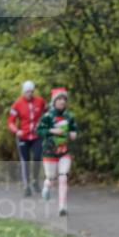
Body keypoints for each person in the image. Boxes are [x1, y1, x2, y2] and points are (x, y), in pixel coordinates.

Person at [36, 88, 79, 216]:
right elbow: (39, 131)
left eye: (64, 99)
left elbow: (74, 129)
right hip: (50, 152)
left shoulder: (69, 116)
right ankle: (47, 185)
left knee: (63, 177)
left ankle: (62, 206)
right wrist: (52, 131)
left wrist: (73, 134)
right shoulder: (48, 117)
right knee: (51, 179)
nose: (62, 102)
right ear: (54, 101)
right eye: (59, 99)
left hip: (64, 152)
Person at [7, 80, 46, 196]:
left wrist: (43, 124)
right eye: (27, 92)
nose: (29, 94)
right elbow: (10, 122)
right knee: (25, 161)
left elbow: (48, 114)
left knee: (38, 157)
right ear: (23, 92)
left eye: (31, 91)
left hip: (36, 135)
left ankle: (35, 180)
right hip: (23, 136)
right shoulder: (17, 104)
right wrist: (16, 131)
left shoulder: (40, 101)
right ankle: (26, 186)